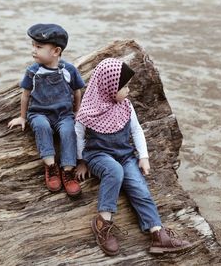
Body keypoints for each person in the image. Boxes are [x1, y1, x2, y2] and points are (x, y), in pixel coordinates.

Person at [75, 58, 196, 255]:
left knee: (139, 187)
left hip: (125, 155)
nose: (128, 91)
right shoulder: (89, 110)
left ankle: (157, 234)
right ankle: (103, 222)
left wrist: (144, 157)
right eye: (124, 87)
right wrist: (81, 161)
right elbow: (78, 134)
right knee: (113, 171)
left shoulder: (126, 106)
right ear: (109, 87)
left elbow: (137, 131)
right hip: (98, 155)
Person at [8, 23, 84, 197]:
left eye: (39, 47)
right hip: (39, 113)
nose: (33, 50)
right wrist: (22, 117)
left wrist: (77, 111)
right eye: (33, 46)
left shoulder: (68, 70)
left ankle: (68, 169)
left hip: (64, 114)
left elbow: (76, 91)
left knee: (68, 130)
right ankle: (51, 166)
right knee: (42, 126)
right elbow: (25, 95)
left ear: (56, 51)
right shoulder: (33, 71)